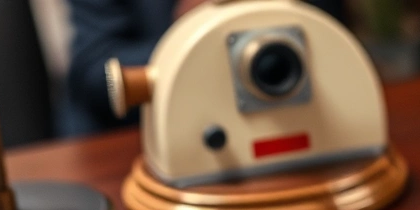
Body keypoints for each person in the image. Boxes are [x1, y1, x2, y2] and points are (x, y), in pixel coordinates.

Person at [63, 0, 345, 136]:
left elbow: (331, 31)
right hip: (140, 138)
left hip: (284, 119)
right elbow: (94, 73)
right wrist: (196, 35)